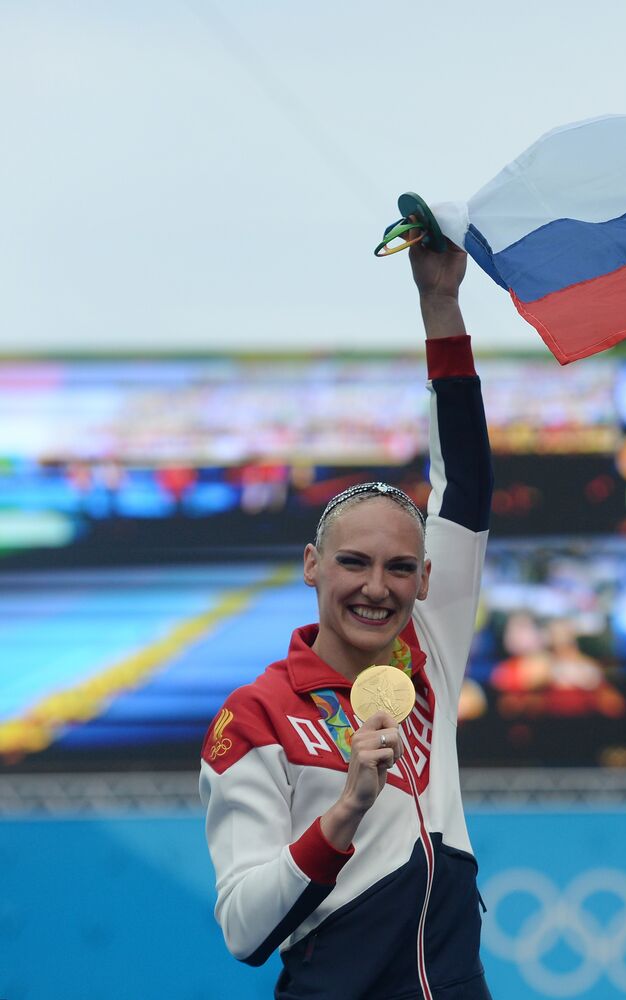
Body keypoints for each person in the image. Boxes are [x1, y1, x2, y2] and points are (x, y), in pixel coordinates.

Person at [200, 237, 493, 999]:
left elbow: (463, 483)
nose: (377, 588)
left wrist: (440, 305)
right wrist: (348, 810)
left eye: (400, 567)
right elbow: (243, 930)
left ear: (425, 580)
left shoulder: (428, 646)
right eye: (353, 563)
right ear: (312, 567)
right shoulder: (257, 717)